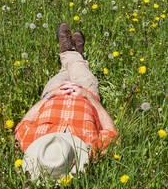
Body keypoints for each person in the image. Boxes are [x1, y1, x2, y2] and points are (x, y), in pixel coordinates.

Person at [14, 23, 118, 180]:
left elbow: (24, 122)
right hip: (84, 91)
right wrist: (89, 97)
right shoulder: (90, 150)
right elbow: (112, 133)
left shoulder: (30, 142)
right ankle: (71, 52)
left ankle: (69, 52)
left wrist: (50, 96)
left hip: (55, 91)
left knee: (65, 70)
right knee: (79, 69)